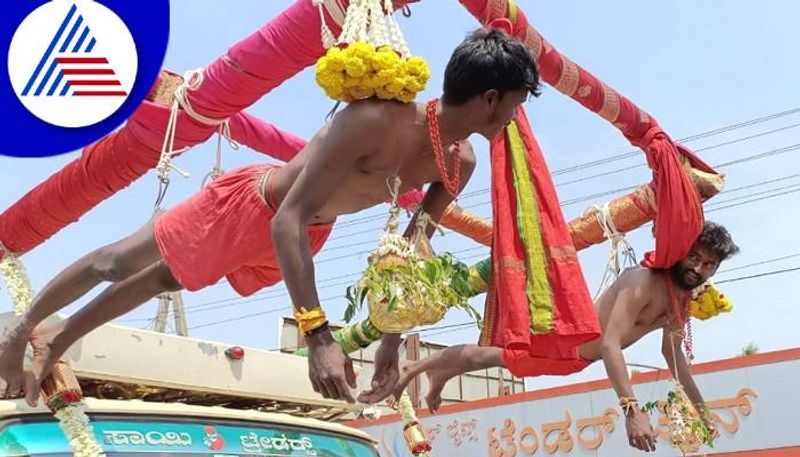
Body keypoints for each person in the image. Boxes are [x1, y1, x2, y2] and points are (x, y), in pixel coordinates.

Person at [0, 27, 540, 407]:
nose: (515, 117)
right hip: (257, 205)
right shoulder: (375, 120)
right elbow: (287, 217)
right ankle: (22, 330)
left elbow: (410, 256)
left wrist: (391, 345)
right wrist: (318, 336)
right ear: (491, 99)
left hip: (306, 234)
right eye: (516, 104)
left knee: (167, 278)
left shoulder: (458, 161)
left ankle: (60, 337)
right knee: (118, 262)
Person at [391, 222, 739, 453]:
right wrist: (631, 411)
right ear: (680, 249)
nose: (698, 268)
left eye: (709, 264)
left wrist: (702, 412)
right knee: (489, 356)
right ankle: (418, 366)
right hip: (564, 341)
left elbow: (673, 356)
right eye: (694, 257)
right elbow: (609, 343)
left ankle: (438, 372)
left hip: (576, 360)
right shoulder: (642, 281)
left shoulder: (682, 301)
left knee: (494, 358)